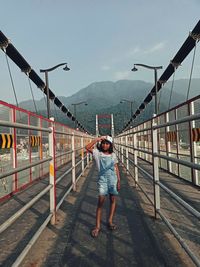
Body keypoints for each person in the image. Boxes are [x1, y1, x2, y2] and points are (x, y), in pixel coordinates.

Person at [85, 135, 120, 238]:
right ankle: (97, 226)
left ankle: (110, 221)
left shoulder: (113, 155)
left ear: (110, 145)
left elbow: (116, 167)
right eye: (103, 143)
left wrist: (119, 181)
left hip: (113, 179)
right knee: (100, 202)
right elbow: (87, 147)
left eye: (107, 143)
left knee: (113, 199)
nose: (105, 145)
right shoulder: (97, 153)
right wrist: (97, 139)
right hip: (103, 181)